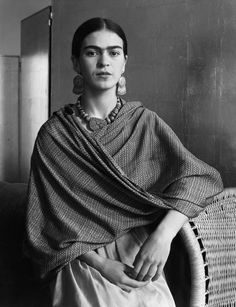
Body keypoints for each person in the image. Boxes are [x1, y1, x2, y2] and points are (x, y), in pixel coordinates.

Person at [24, 17, 223, 307]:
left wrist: (162, 238)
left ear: (124, 62)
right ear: (76, 63)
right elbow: (46, 227)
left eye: (114, 52)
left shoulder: (144, 124)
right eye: (92, 52)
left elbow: (202, 179)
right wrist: (101, 265)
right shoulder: (54, 135)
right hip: (82, 267)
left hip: (141, 261)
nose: (104, 61)